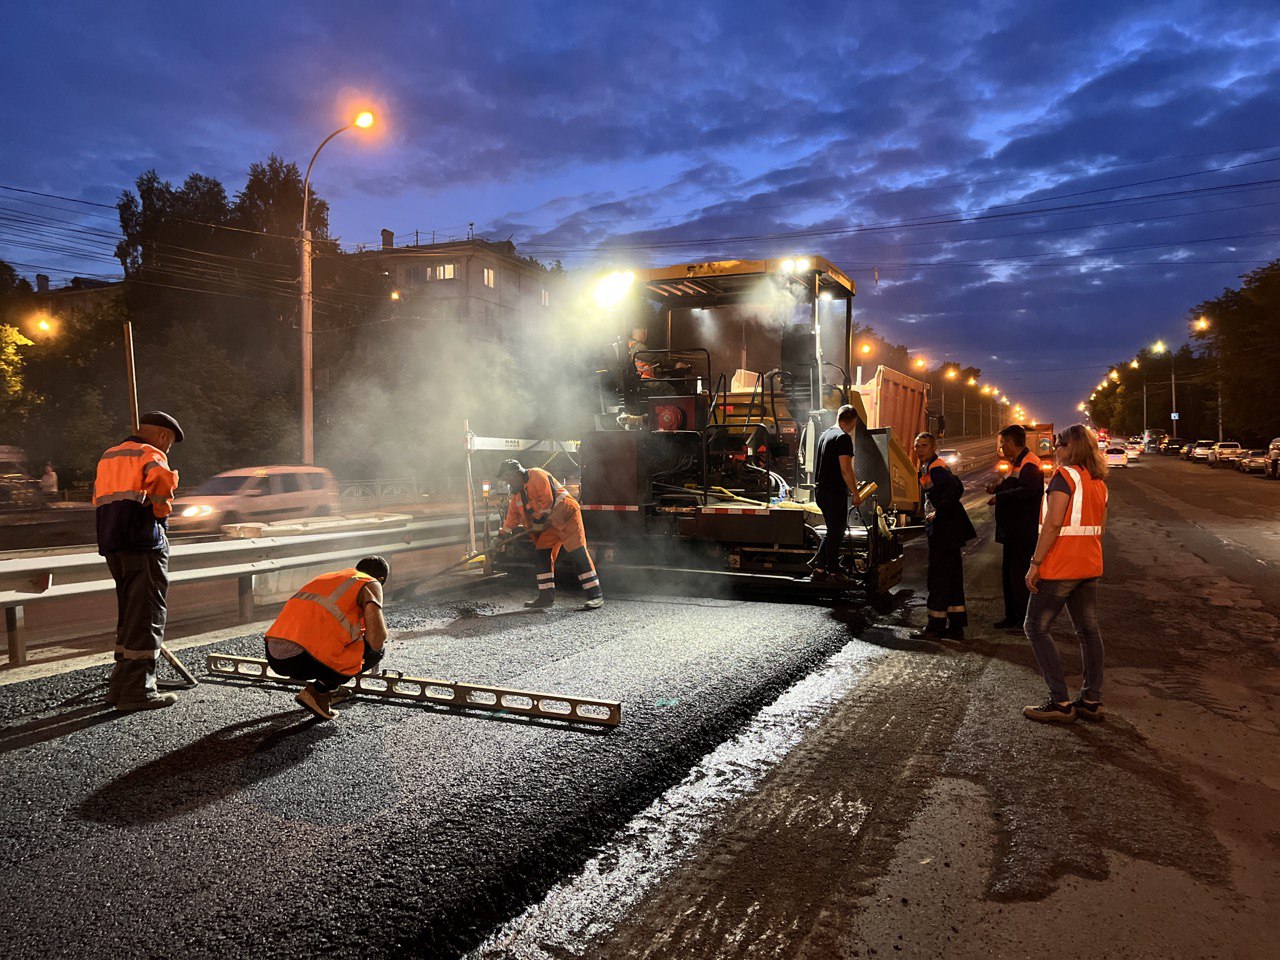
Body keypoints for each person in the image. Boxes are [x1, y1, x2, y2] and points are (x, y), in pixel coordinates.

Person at [95, 410, 183, 711]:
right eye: (169, 443)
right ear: (162, 436)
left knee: (128, 614)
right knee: (146, 614)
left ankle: (119, 685)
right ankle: (138, 691)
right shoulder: (150, 452)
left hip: (113, 544)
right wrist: (161, 514)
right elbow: (162, 481)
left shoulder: (109, 455)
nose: (167, 449)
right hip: (144, 542)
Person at [1022, 424, 1108, 723]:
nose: (1054, 448)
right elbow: (1100, 527)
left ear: (1072, 448)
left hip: (1061, 567)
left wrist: (1035, 563)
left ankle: (1060, 702)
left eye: (1059, 444)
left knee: (1035, 627)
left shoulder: (1064, 477)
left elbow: (1054, 523)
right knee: (1088, 632)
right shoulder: (1098, 481)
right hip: (1090, 566)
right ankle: (1091, 700)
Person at [265, 556, 390, 721]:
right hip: (302, 659)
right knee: (376, 651)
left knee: (348, 638)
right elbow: (376, 640)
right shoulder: (371, 583)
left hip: (274, 656)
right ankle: (320, 690)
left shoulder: (330, 577)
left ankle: (331, 687)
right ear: (380, 579)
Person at [496, 459, 602, 610]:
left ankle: (595, 596)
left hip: (567, 517)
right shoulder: (518, 496)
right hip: (551, 524)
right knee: (542, 554)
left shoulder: (537, 475)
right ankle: (546, 597)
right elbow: (511, 520)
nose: (508, 483)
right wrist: (500, 537)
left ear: (513, 474)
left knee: (578, 553)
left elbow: (548, 500)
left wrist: (539, 519)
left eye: (507, 479)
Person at [912, 432, 976, 640]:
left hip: (945, 530)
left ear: (933, 447)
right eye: (917, 446)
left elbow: (953, 488)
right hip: (949, 529)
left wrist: (938, 512)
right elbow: (956, 486)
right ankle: (956, 626)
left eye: (923, 446)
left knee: (938, 578)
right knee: (952, 577)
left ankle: (935, 626)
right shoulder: (930, 466)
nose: (919, 449)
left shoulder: (935, 467)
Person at [986, 425, 1044, 629]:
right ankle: (1012, 616)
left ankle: (1025, 621)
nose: (1002, 447)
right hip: (1012, 530)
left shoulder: (1030, 464)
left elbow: (1027, 491)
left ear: (1011, 442)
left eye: (1003, 443)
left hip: (1022, 530)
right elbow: (1012, 485)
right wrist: (997, 488)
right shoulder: (1017, 463)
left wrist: (999, 497)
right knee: (1010, 576)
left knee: (1020, 577)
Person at [807, 405, 864, 582]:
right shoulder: (843, 438)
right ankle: (833, 571)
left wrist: (850, 485)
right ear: (853, 421)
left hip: (822, 491)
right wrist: (855, 493)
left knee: (833, 530)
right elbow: (845, 469)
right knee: (837, 531)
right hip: (834, 493)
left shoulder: (826, 435)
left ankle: (819, 569)